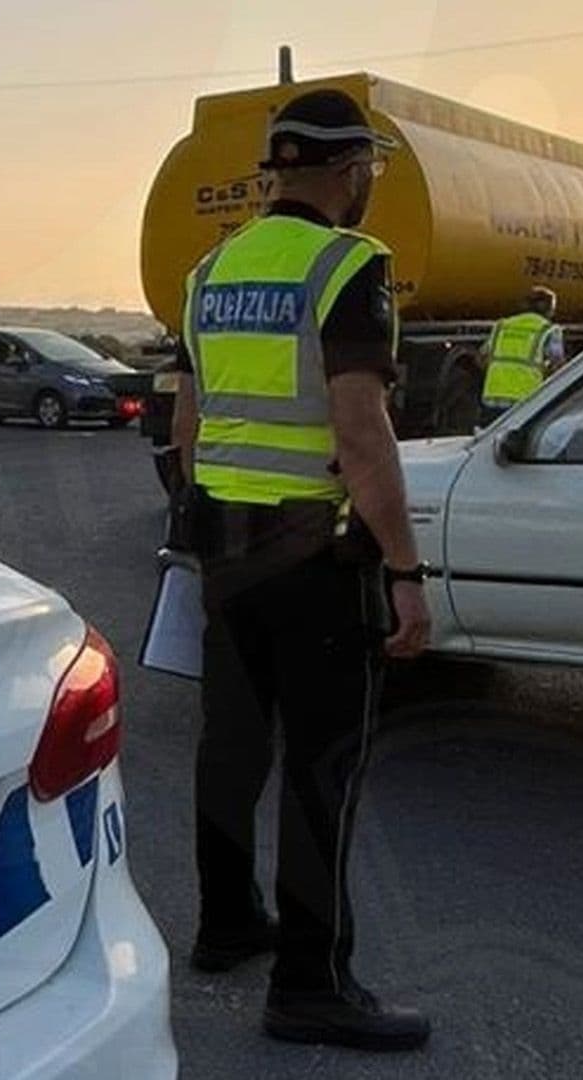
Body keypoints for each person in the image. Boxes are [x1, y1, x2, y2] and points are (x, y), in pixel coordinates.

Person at [169, 88, 434, 1052]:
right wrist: (406, 568)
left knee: (231, 747)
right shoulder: (349, 264)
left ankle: (226, 922)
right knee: (322, 767)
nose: (366, 186)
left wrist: (203, 526)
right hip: (317, 554)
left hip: (225, 549)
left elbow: (187, 425)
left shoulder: (210, 271)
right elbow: (362, 430)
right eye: (365, 172)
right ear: (348, 170)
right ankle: (311, 986)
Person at [478, 287, 562, 426]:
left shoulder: (502, 325)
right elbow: (558, 367)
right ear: (550, 310)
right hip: (525, 402)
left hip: (492, 397)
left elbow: (481, 359)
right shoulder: (549, 330)